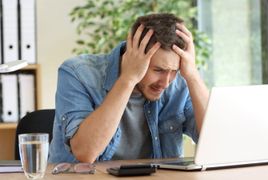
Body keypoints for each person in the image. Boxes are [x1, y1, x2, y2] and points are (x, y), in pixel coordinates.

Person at [49, 13, 209, 163]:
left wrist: (193, 75)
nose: (166, 82)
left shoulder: (179, 84)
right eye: (158, 70)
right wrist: (128, 79)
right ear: (132, 55)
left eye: (174, 71)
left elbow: (215, 143)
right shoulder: (78, 74)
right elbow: (85, 152)